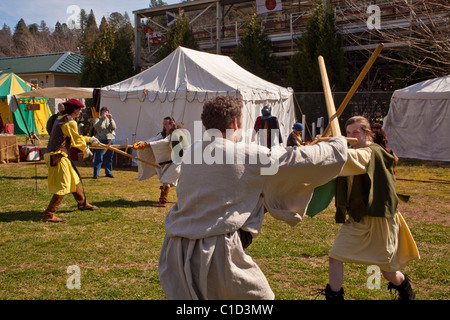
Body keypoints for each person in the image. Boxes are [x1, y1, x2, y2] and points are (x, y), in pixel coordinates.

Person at [158, 95, 348, 299]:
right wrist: (337, 146)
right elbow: (297, 158)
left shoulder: (192, 152)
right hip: (215, 253)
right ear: (234, 123)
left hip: (175, 251)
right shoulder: (247, 155)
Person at [323, 116, 419, 300]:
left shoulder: (373, 152)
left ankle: (407, 291)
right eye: (348, 132)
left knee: (388, 272)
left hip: (380, 219)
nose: (351, 136)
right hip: (357, 218)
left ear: (367, 133)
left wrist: (331, 149)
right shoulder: (352, 152)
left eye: (355, 132)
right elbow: (337, 164)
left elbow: (350, 160)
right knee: (335, 256)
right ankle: (334, 297)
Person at [43, 99, 99, 222]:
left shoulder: (61, 118)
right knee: (63, 184)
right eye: (79, 109)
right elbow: (75, 140)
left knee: (73, 179)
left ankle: (82, 203)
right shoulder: (70, 122)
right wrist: (85, 148)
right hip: (57, 156)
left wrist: (89, 139)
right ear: (74, 109)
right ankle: (49, 214)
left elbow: (74, 137)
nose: (80, 111)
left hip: (56, 154)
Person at [132, 116, 188, 207]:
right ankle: (183, 199)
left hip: (180, 160)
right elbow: (154, 139)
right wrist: (142, 143)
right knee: (172, 180)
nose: (164, 126)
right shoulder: (164, 133)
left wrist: (147, 144)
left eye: (166, 124)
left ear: (171, 124)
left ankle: (163, 201)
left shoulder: (176, 134)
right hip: (171, 161)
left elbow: (164, 142)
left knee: (167, 179)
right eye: (163, 124)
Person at [93, 107, 116, 179]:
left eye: (106, 112)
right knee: (99, 157)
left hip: (110, 139)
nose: (105, 114)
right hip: (101, 139)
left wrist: (111, 119)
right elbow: (96, 127)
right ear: (101, 113)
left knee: (109, 157)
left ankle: (108, 172)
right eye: (104, 112)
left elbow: (114, 127)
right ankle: (96, 173)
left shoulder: (110, 120)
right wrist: (103, 119)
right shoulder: (97, 120)